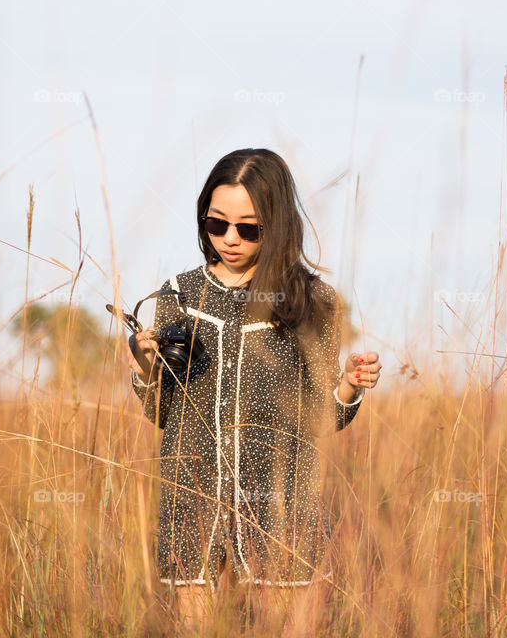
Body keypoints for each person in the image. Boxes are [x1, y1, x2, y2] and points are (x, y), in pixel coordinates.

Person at [125, 148, 381, 633]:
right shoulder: (177, 296)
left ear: (277, 224)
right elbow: (162, 415)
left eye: (249, 228)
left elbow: (320, 423)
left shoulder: (314, 302)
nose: (229, 239)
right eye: (216, 224)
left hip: (280, 505)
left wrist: (348, 385)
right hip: (191, 496)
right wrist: (145, 370)